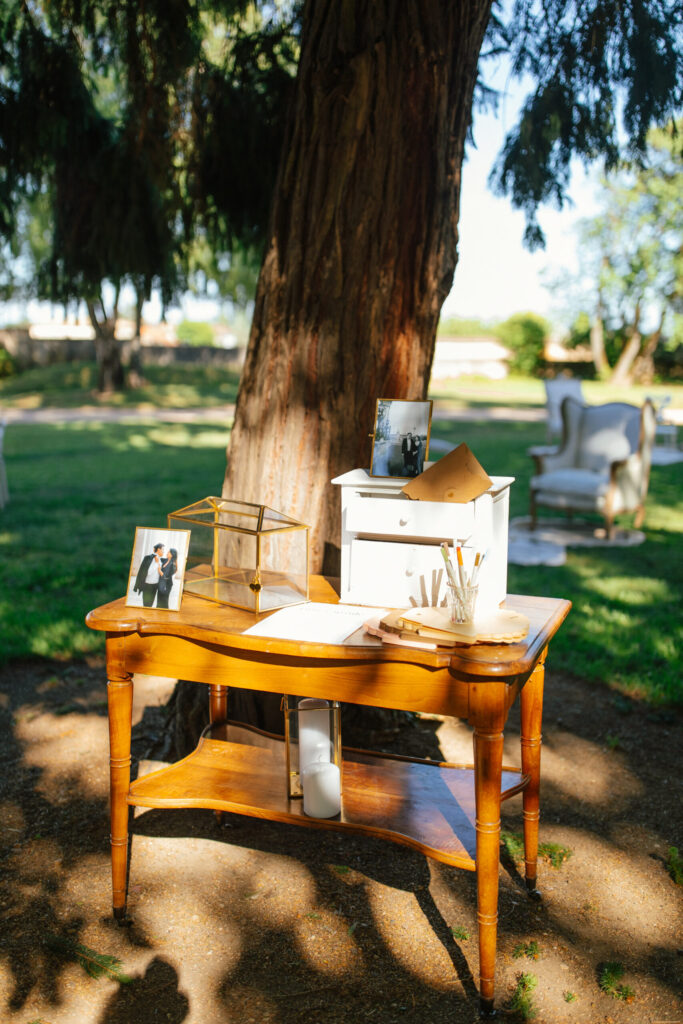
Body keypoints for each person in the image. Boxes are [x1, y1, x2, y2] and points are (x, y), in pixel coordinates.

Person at [134, 542, 164, 607]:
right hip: (148, 585)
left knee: (150, 604)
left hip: (155, 585)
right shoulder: (150, 558)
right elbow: (148, 573)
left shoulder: (160, 559)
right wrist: (156, 563)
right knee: (146, 604)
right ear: (158, 549)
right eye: (163, 550)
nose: (163, 551)